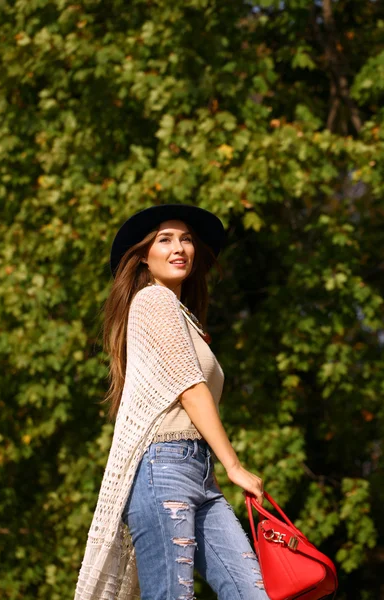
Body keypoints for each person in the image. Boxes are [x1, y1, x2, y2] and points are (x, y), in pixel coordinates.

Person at [74, 204, 267, 600]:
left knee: (252, 592)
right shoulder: (153, 300)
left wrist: (215, 470)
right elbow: (190, 389)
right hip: (163, 470)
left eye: (186, 239)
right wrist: (235, 466)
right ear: (144, 254)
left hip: (198, 474)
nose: (179, 247)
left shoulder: (184, 316)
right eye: (165, 239)